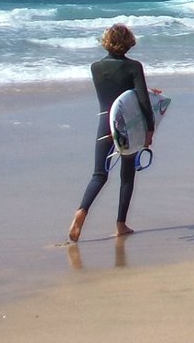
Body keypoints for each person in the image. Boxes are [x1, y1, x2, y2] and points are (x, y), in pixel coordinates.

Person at [68, 23, 155, 242]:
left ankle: (81, 211)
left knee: (99, 174)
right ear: (129, 42)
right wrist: (150, 128)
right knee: (127, 175)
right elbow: (142, 101)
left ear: (107, 41)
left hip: (104, 125)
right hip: (125, 127)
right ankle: (120, 224)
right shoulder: (134, 67)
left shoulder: (95, 67)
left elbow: (116, 94)